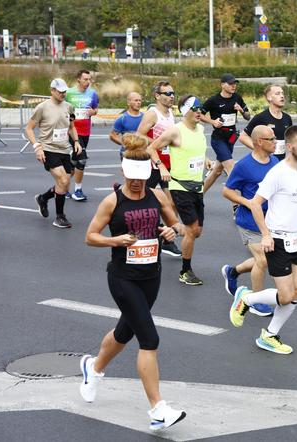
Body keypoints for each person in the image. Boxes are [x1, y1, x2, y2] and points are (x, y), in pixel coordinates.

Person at [80, 133, 186, 431]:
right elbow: (90, 237)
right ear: (124, 170)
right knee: (149, 339)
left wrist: (172, 230)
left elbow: (176, 223)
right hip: (123, 277)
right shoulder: (112, 201)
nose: (138, 182)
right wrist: (115, 239)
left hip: (151, 274)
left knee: (125, 332)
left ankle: (94, 367)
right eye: (133, 176)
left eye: (143, 176)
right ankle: (158, 409)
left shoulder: (158, 195)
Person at [228, 125, 297, 354]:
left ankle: (269, 335)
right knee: (285, 296)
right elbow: (256, 203)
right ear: (289, 147)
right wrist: (266, 234)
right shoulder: (277, 173)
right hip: (277, 240)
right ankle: (247, 298)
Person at [148, 95, 211, 286]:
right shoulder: (175, 131)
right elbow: (152, 148)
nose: (200, 112)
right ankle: (185, 271)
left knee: (197, 231)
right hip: (179, 186)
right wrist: (162, 167)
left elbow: (196, 149)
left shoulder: (200, 129)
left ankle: (165, 233)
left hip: (196, 186)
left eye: (201, 109)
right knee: (192, 230)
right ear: (185, 110)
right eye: (196, 108)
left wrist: (206, 158)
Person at [222, 125, 280, 317]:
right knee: (262, 260)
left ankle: (233, 272)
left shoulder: (275, 161)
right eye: (271, 139)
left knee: (263, 260)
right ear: (259, 142)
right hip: (249, 222)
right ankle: (255, 301)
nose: (275, 141)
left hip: (269, 221)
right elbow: (227, 191)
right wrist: (246, 202)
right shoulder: (244, 166)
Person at [26, 78, 81, 229]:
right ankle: (60, 217)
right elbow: (29, 128)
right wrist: (37, 147)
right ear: (52, 91)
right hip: (48, 149)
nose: (63, 93)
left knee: (65, 183)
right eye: (60, 91)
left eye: (64, 91)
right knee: (63, 181)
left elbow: (71, 127)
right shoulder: (42, 107)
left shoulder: (69, 107)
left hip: (64, 149)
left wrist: (76, 141)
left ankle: (43, 198)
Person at [137, 81, 181, 258]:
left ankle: (167, 241)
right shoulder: (152, 114)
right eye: (167, 93)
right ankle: (141, 238)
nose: (172, 96)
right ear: (157, 96)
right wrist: (156, 145)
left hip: (167, 164)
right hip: (152, 164)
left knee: (172, 203)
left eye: (172, 93)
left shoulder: (170, 113)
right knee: (143, 203)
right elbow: (139, 135)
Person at [200, 73, 251, 194]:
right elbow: (200, 114)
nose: (234, 86)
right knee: (231, 169)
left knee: (217, 171)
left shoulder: (237, 98)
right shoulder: (214, 100)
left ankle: (199, 195)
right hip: (218, 138)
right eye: (231, 84)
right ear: (222, 85)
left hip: (232, 137)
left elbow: (248, 117)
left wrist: (241, 110)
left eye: (235, 84)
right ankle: (236, 206)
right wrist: (212, 121)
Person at [65, 69, 99, 201]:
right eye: (85, 79)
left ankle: (63, 187)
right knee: (82, 158)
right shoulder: (69, 93)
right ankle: (77, 191)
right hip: (72, 131)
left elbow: (96, 109)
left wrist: (93, 112)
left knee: (74, 161)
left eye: (89, 79)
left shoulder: (93, 94)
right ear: (78, 79)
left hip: (86, 131)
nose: (88, 82)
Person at [239, 84, 292, 161]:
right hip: (265, 161)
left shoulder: (287, 118)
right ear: (269, 98)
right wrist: (259, 150)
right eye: (277, 94)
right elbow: (243, 137)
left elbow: (290, 141)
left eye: (282, 93)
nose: (282, 96)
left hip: (281, 162)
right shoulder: (261, 117)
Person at [110, 92, 144, 159]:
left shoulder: (145, 117)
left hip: (142, 153)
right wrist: (125, 144)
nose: (139, 102)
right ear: (128, 102)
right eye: (136, 100)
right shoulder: (122, 118)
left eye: (140, 100)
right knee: (126, 170)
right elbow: (113, 135)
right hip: (127, 153)